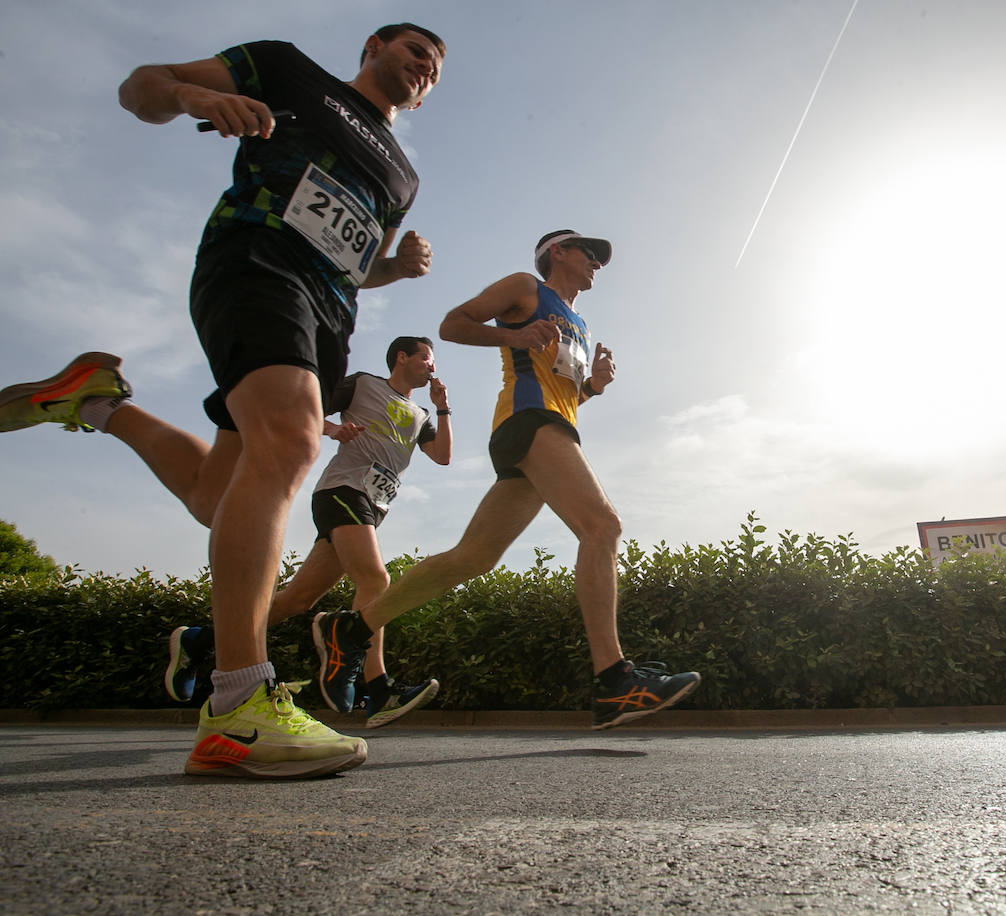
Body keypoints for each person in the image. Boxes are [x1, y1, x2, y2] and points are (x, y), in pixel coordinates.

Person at [0, 24, 445, 778]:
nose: (423, 69)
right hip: (256, 258)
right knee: (295, 442)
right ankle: (238, 705)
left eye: (434, 69)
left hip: (328, 316)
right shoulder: (287, 70)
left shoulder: (403, 173)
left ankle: (96, 401)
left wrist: (393, 270)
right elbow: (140, 84)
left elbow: (357, 262)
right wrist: (190, 95)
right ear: (374, 46)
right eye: (414, 52)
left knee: (220, 495)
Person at [313, 230, 700, 729]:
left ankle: (352, 629)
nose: (598, 263)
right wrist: (512, 335)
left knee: (471, 559)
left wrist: (595, 388)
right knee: (602, 526)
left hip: (553, 427)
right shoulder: (525, 287)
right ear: (557, 253)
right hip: (528, 423)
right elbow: (452, 324)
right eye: (590, 253)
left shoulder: (579, 322)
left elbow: (566, 394)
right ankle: (614, 682)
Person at [165, 335, 451, 729]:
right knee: (374, 579)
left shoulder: (420, 414)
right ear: (402, 358)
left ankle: (197, 640)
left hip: (373, 507)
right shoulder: (363, 384)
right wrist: (335, 431)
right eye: (426, 358)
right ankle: (378, 688)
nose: (431, 366)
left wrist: (442, 408)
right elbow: (307, 412)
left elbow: (443, 457)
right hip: (342, 491)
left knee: (296, 600)